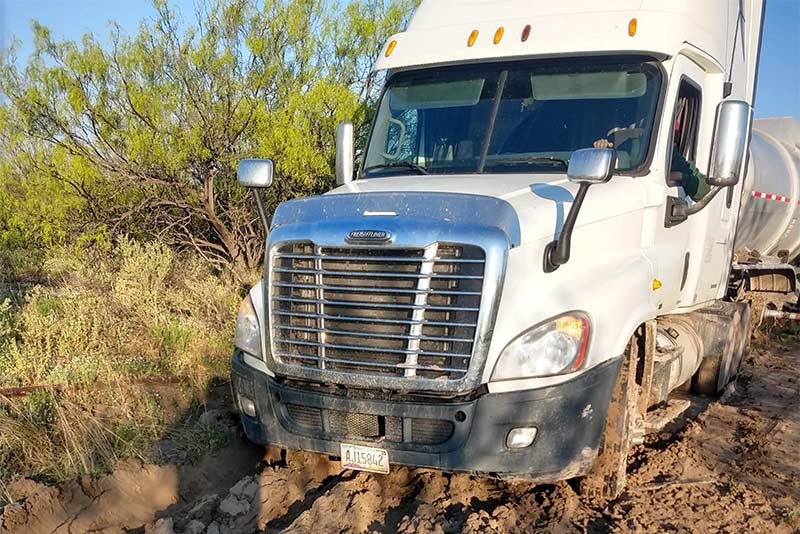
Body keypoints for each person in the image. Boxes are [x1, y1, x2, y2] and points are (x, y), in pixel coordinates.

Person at [593, 138, 710, 201]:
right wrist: (600, 150)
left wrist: (679, 176)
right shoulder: (621, 146)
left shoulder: (665, 150)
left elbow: (704, 190)